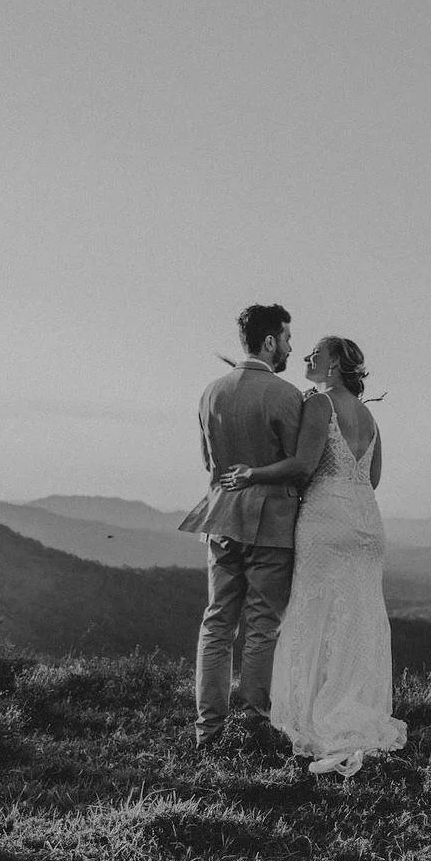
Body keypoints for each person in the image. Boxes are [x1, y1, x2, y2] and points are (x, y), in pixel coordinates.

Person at [221, 335, 406, 777]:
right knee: (359, 616)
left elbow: (304, 465)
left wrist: (252, 474)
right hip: (366, 521)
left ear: (335, 364)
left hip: (326, 518)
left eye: (316, 355)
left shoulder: (321, 404)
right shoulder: (369, 416)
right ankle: (355, 706)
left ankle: (313, 711)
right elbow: (373, 478)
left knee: (314, 609)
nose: (307, 357)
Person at [177, 304, 304, 748]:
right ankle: (250, 733)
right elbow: (297, 467)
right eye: (287, 338)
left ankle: (207, 733)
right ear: (269, 342)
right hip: (270, 524)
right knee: (262, 625)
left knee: (216, 624)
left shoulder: (211, 392)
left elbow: (209, 462)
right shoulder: (285, 395)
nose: (290, 347)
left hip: (221, 518)